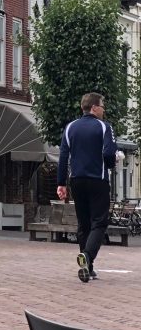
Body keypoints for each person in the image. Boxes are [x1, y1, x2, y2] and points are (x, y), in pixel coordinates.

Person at [57, 91, 116, 282]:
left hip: (76, 181)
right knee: (99, 222)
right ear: (94, 108)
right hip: (97, 180)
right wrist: (111, 164)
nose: (104, 110)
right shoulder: (104, 127)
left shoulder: (70, 128)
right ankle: (88, 256)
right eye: (102, 106)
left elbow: (63, 157)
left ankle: (87, 268)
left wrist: (61, 183)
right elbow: (108, 153)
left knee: (83, 224)